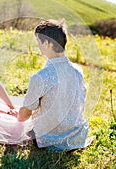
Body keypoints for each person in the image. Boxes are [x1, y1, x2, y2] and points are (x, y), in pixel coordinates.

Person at [18, 19, 93, 152]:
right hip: (77, 136)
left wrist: (17, 115)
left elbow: (24, 115)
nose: (37, 45)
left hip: (50, 140)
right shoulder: (77, 71)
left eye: (38, 41)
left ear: (47, 43)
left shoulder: (40, 77)